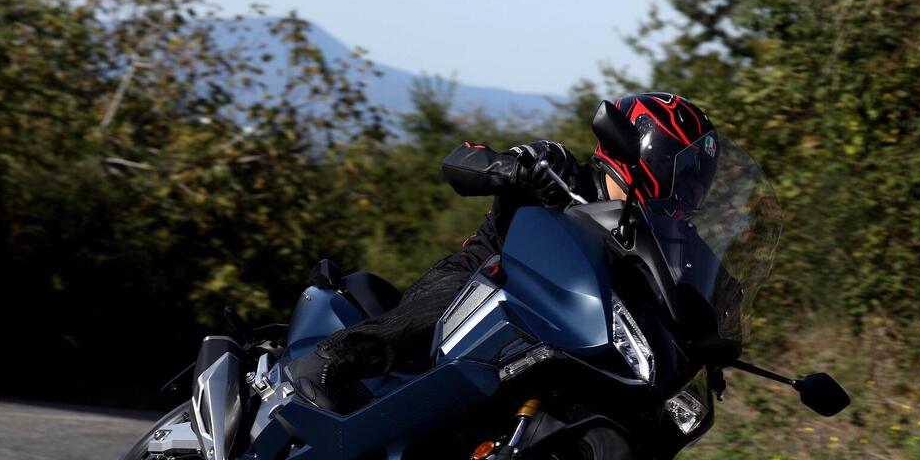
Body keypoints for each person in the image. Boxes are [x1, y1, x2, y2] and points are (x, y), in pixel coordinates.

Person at [293, 92, 715, 413]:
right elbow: (461, 162)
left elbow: (711, 291)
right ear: (644, 156)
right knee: (475, 292)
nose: (693, 188)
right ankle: (330, 359)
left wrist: (718, 339)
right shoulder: (558, 167)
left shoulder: (671, 241)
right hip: (484, 280)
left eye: (700, 177)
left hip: (562, 329)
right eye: (684, 171)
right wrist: (514, 169)